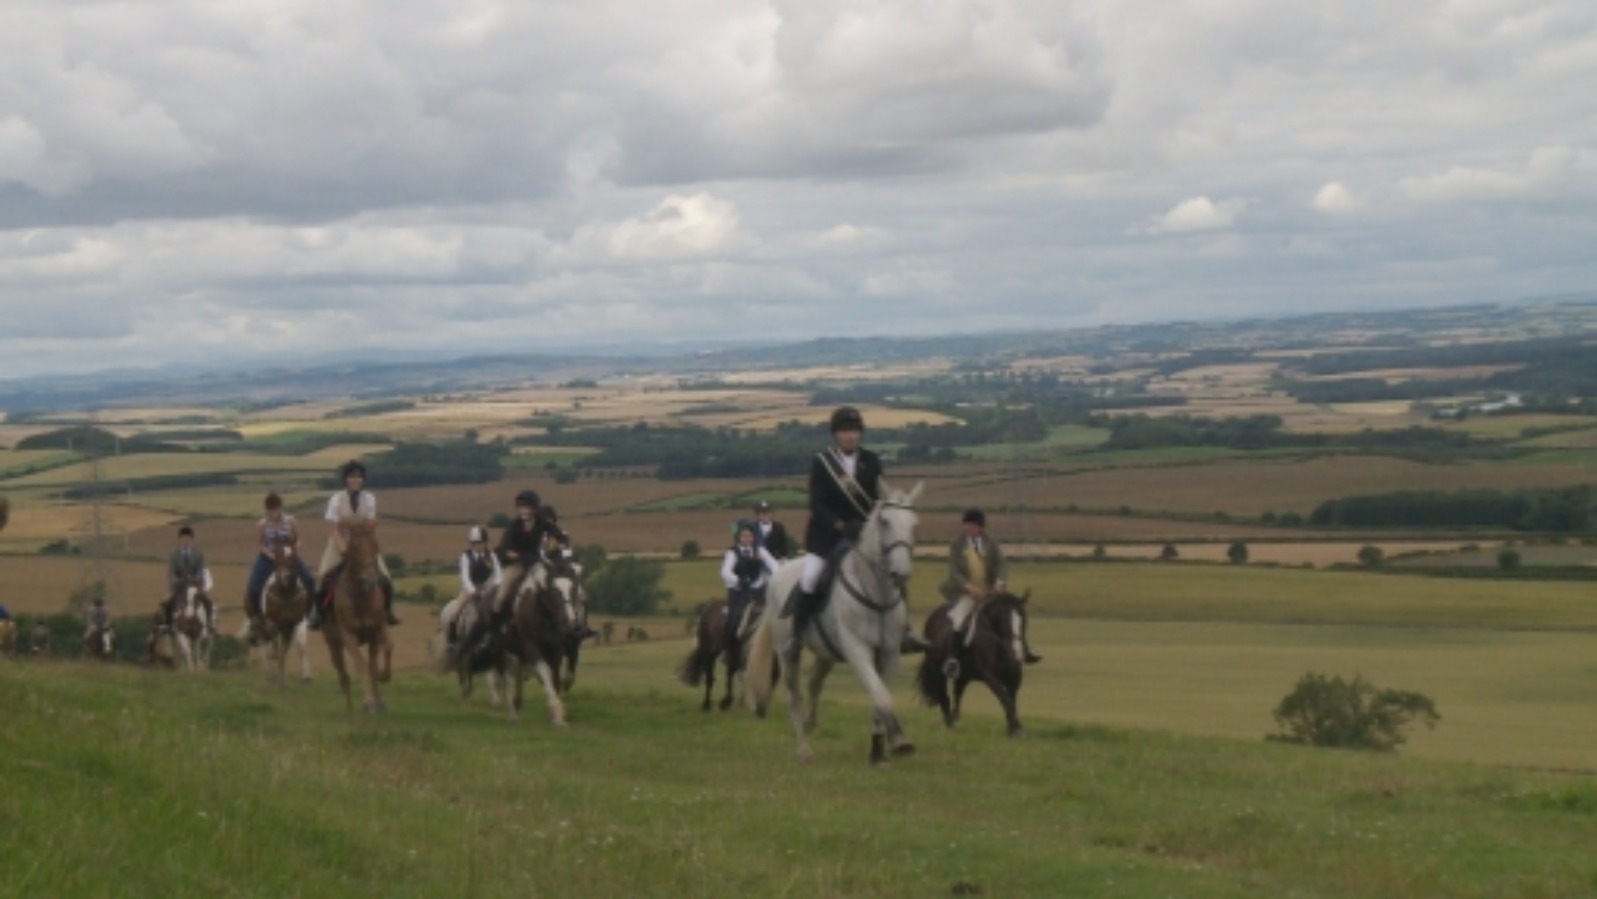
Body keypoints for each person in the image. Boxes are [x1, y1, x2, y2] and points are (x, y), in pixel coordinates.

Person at [783, 405, 930, 654]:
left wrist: (872, 525)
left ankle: (904, 631)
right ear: (836, 435)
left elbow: (879, 499)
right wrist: (839, 524)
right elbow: (817, 504)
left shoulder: (871, 461)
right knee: (809, 578)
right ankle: (797, 636)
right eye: (845, 431)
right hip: (827, 536)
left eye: (854, 431)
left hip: (864, 535)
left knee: (895, 572)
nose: (850, 436)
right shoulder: (822, 463)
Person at [939, 508, 1041, 678]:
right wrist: (968, 587)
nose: (968, 529)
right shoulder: (957, 544)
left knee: (1013, 615)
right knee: (958, 620)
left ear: (980, 527)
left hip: (990, 593)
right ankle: (953, 660)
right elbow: (954, 572)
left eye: (972, 526)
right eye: (966, 525)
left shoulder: (991, 543)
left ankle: (1023, 651)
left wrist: (999, 583)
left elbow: (1001, 565)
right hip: (967, 593)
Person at [310, 460, 398, 629]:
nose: (355, 480)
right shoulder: (336, 499)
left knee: (386, 577)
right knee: (322, 576)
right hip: (339, 542)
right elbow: (335, 528)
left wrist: (350, 524)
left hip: (364, 542)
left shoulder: (369, 499)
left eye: (358, 477)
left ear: (363, 480)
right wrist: (342, 546)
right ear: (346, 480)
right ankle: (317, 614)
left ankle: (388, 611)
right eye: (352, 477)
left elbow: (371, 524)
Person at [493, 490, 592, 637]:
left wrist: (562, 543)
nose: (522, 511)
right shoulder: (514, 525)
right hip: (517, 564)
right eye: (520, 507)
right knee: (501, 595)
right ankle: (496, 630)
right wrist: (515, 555)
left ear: (534, 509)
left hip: (537, 563)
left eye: (525, 507)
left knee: (556, 587)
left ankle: (567, 622)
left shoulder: (541, 522)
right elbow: (504, 549)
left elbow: (559, 535)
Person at [244, 492, 317, 640]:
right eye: (270, 510)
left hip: (288, 556)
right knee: (253, 584)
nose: (273, 513)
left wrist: (294, 551)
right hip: (268, 557)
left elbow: (298, 539)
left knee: (309, 579)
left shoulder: (291, 521)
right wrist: (271, 555)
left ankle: (310, 612)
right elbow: (260, 544)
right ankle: (257, 617)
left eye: (276, 509)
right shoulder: (262, 524)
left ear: (281, 508)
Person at [720, 521, 780, 663]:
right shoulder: (732, 553)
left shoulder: (760, 551)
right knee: (735, 618)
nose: (747, 539)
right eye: (744, 536)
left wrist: (776, 579)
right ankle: (727, 649)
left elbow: (774, 565)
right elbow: (725, 571)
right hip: (739, 592)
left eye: (749, 536)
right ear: (738, 538)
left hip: (758, 591)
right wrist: (737, 581)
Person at [440, 525, 502, 655]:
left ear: (485, 542)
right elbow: (464, 577)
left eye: (481, 542)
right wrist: (473, 591)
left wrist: (494, 587)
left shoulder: (492, 556)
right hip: (469, 590)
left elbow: (497, 574)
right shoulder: (465, 557)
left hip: (487, 589)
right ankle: (453, 642)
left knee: (499, 610)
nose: (478, 546)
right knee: (455, 612)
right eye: (475, 543)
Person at [165, 526, 216, 635]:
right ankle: (169, 625)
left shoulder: (198, 554)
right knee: (167, 603)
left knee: (208, 602)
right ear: (179, 540)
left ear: (191, 540)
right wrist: (179, 581)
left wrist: (194, 580)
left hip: (194, 586)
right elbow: (172, 574)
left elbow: (201, 570)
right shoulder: (174, 556)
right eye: (183, 538)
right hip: (179, 587)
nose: (185, 541)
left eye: (188, 538)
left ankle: (209, 625)